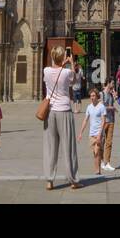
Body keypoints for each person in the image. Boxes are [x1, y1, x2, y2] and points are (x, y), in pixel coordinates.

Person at [42, 44, 81, 191]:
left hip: (50, 112)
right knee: (68, 147)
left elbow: (53, 71)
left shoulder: (45, 71)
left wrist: (61, 62)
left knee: (51, 147)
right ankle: (73, 180)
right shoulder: (66, 73)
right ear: (63, 57)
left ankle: (49, 181)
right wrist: (71, 63)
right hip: (64, 110)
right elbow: (75, 81)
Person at [77, 87, 107, 177]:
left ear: (97, 96)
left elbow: (103, 121)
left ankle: (97, 171)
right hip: (91, 134)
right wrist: (80, 133)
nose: (92, 97)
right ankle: (100, 161)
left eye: (93, 96)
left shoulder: (101, 107)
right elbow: (85, 120)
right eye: (91, 96)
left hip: (99, 133)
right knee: (95, 153)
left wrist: (100, 134)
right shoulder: (89, 107)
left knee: (97, 151)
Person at [99, 78, 117, 173]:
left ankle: (107, 162)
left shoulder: (110, 94)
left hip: (111, 121)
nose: (114, 85)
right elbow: (101, 107)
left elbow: (113, 104)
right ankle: (101, 162)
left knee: (109, 142)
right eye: (112, 83)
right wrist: (111, 107)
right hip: (103, 121)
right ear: (108, 83)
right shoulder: (102, 94)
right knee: (101, 141)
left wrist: (114, 97)